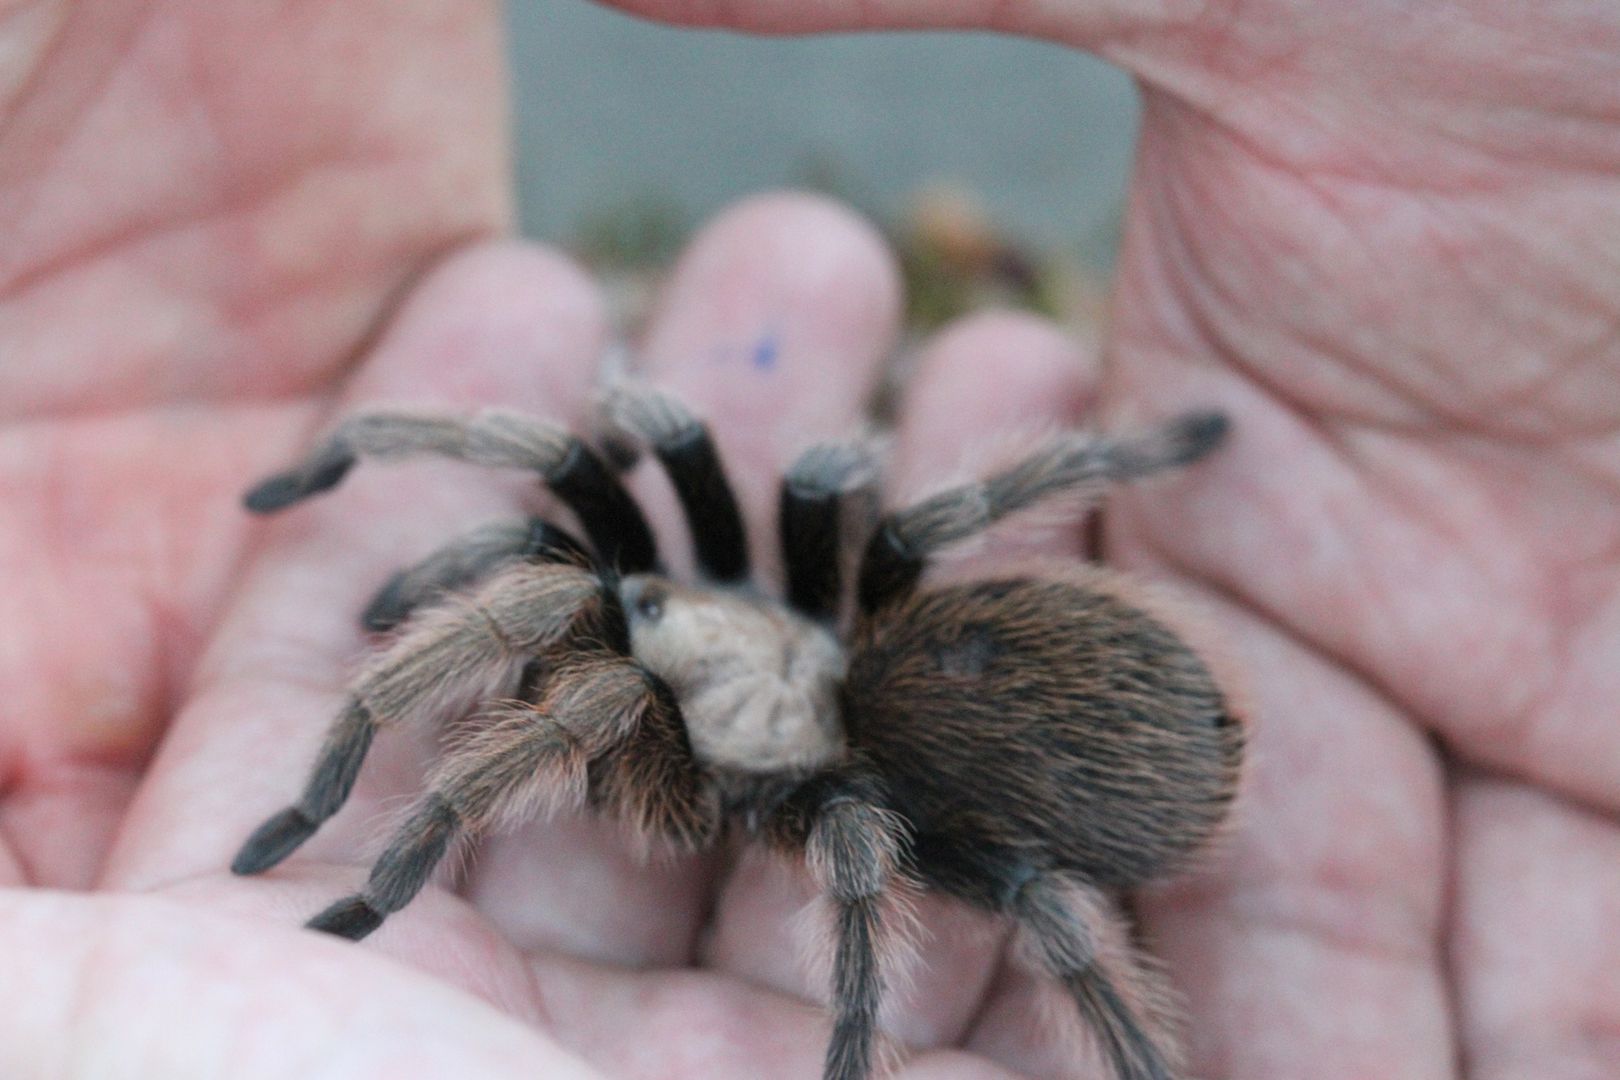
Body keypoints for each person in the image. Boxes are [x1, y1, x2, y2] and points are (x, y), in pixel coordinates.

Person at [2, 1, 1615, 1076]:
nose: (621, 606)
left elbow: (626, 708)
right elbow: (598, 478)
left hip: (924, 740)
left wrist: (388, 858)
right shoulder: (741, 592)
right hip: (897, 675)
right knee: (786, 505)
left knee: (976, 853)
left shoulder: (699, 730)